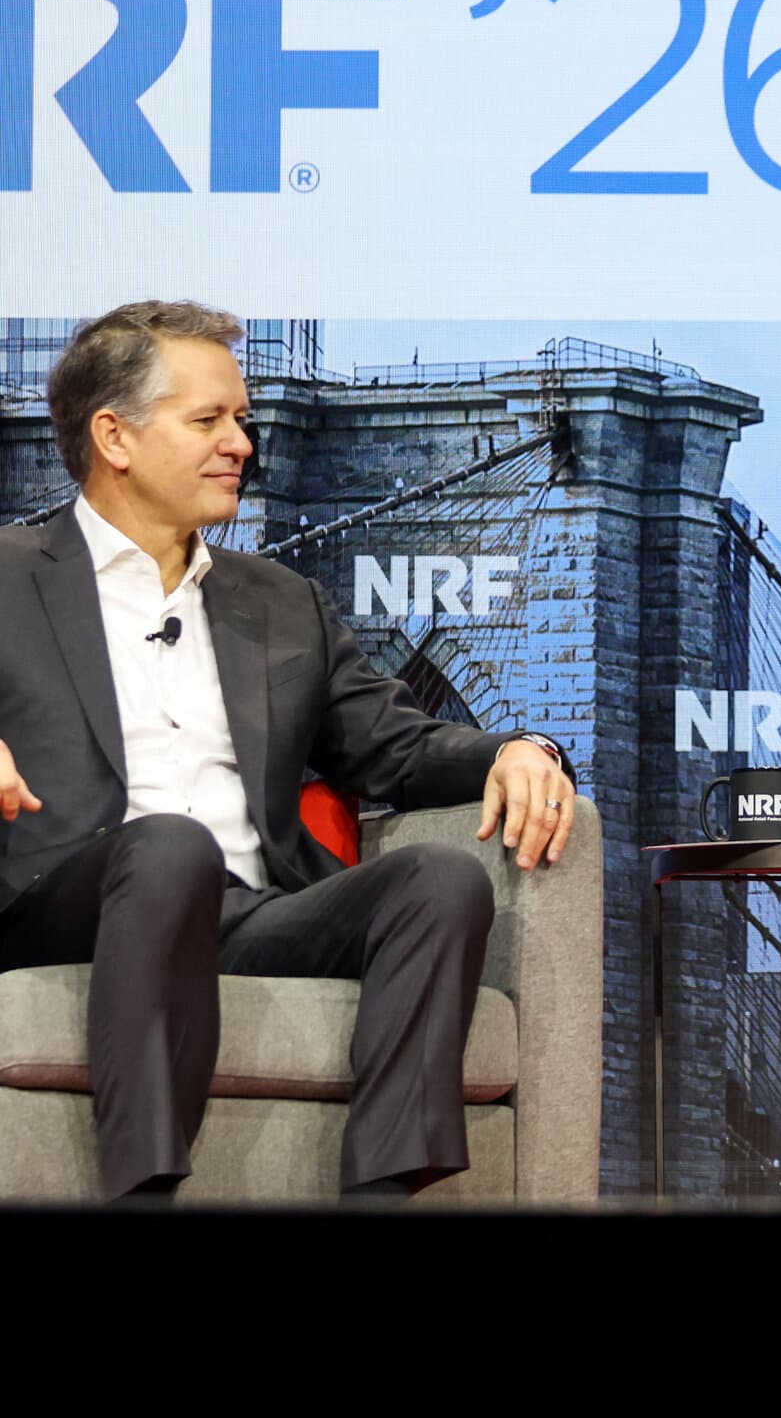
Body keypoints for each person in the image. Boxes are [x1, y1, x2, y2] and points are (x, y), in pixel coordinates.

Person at [0, 301, 579, 1202]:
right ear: (113, 436)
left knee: (439, 880)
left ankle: (383, 1191)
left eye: (242, 419)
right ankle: (142, 1190)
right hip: (65, 902)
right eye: (209, 421)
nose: (241, 443)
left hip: (246, 910)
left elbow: (395, 746)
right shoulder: (7, 574)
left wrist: (520, 747)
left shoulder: (279, 601)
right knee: (168, 845)